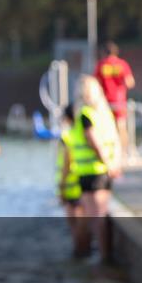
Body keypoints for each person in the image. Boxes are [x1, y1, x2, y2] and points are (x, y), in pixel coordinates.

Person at [71, 75, 122, 264]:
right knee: (99, 214)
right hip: (105, 170)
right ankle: (98, 253)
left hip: (90, 172)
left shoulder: (85, 114)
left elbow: (95, 142)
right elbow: (115, 140)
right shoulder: (105, 114)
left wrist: (106, 163)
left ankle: (101, 255)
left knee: (94, 216)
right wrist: (114, 163)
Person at [95, 41, 136, 160]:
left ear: (104, 53)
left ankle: (108, 154)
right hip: (119, 101)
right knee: (121, 127)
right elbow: (130, 82)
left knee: (104, 128)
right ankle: (124, 153)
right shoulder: (122, 64)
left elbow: (96, 83)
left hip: (105, 102)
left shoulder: (101, 64)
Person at [57, 104, 85, 257]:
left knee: (74, 221)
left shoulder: (66, 136)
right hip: (82, 180)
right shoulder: (82, 133)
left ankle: (78, 248)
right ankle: (83, 247)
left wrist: (61, 186)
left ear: (67, 119)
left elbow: (65, 164)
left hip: (69, 184)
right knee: (83, 218)